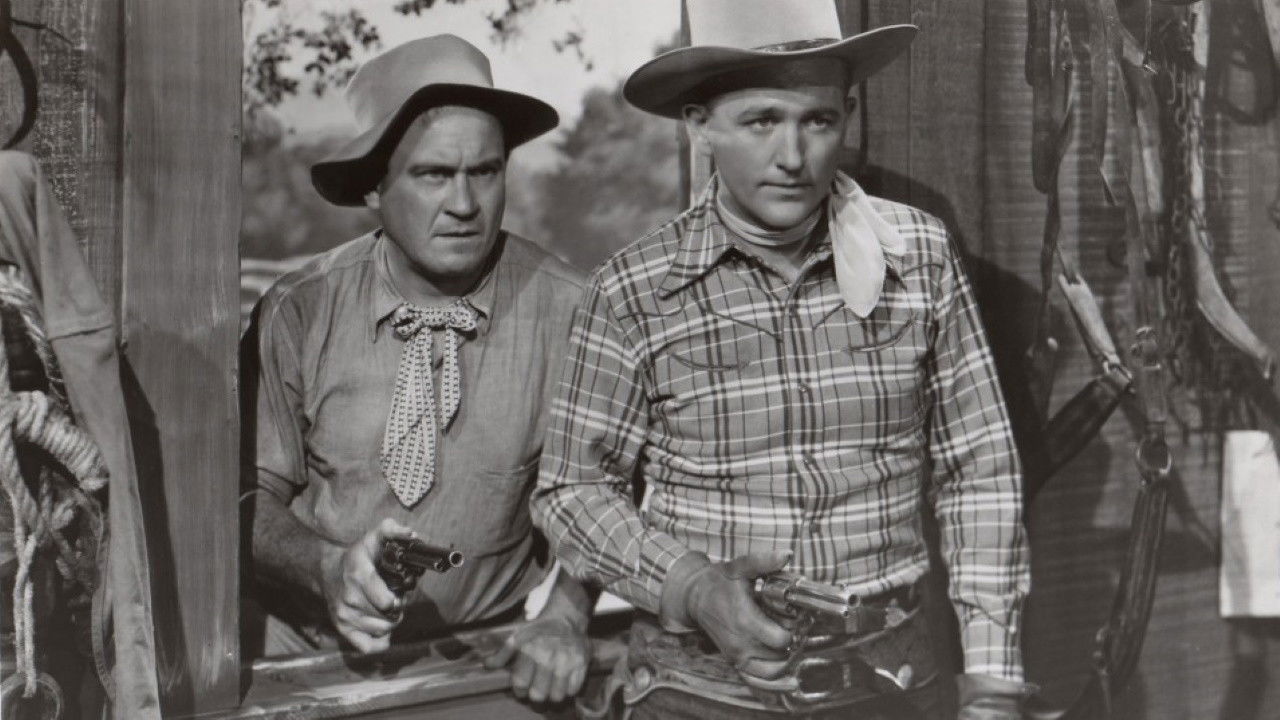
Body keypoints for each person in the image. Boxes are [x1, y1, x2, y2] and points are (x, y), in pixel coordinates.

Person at [531, 1, 1035, 717]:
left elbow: (979, 468)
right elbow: (574, 489)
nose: (793, 157)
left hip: (887, 681)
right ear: (699, 125)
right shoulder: (632, 290)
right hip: (698, 692)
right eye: (761, 121)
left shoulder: (917, 256)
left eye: (817, 121)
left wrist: (990, 677)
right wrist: (691, 586)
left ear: (848, 115)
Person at [244, 34, 593, 705]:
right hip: (306, 665)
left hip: (485, 670)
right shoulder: (299, 310)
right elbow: (245, 495)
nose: (464, 204)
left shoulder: (571, 311)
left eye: (484, 172)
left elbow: (611, 491)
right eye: (433, 175)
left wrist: (566, 615)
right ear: (375, 188)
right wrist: (326, 569)